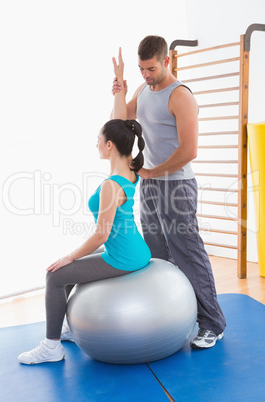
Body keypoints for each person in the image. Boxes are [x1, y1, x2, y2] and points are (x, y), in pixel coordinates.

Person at [111, 37, 226, 349]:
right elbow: (119, 121)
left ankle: (213, 323)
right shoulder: (143, 90)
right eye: (141, 69)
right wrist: (121, 86)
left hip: (177, 185)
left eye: (151, 69)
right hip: (151, 184)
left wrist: (151, 172)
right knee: (157, 252)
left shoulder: (180, 96)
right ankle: (175, 316)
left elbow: (189, 151)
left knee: (188, 253)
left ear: (166, 62)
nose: (146, 75)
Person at [18, 117, 151, 364]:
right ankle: (65, 328)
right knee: (67, 269)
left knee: (55, 276)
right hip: (135, 249)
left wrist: (70, 255)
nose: (96, 145)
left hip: (124, 256)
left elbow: (102, 234)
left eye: (98, 140)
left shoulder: (112, 184)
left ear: (110, 145)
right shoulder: (131, 173)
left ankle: (51, 347)